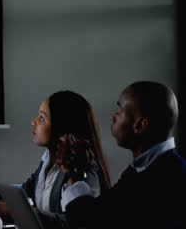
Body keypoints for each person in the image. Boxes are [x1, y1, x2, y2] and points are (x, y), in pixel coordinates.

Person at [59, 81, 186, 229]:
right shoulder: (145, 168)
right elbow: (105, 208)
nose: (113, 117)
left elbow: (92, 218)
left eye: (119, 111)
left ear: (139, 125)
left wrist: (70, 171)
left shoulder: (165, 178)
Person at [0, 91, 111, 226]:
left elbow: (75, 222)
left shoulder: (83, 168)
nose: (33, 122)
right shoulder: (48, 160)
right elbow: (24, 193)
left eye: (42, 118)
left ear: (61, 126)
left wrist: (15, 213)